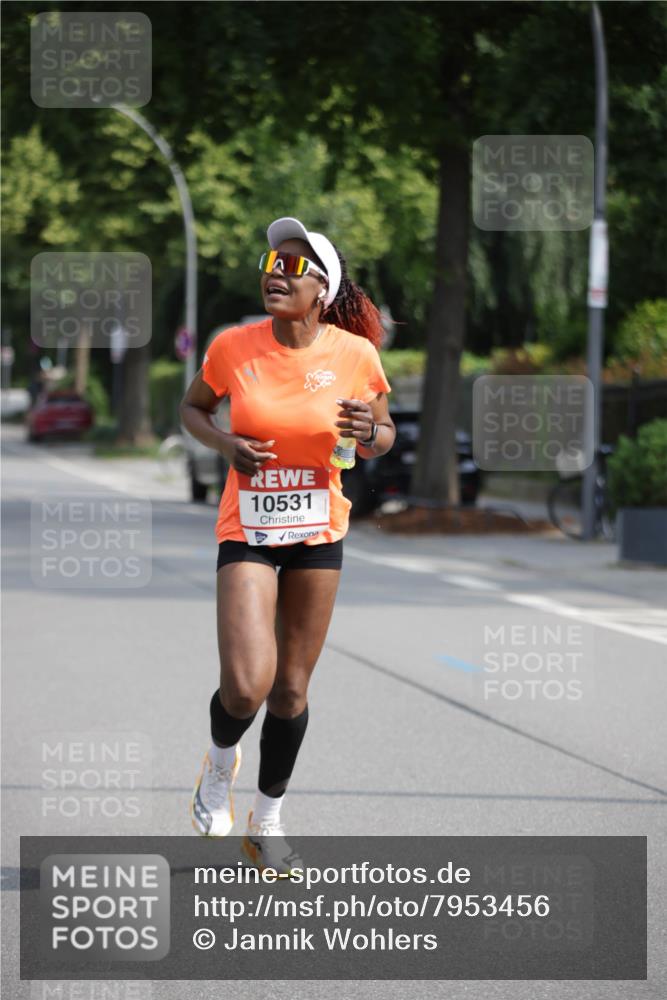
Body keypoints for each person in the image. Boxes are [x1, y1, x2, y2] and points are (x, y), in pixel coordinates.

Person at [179, 216, 395, 875]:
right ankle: (217, 769)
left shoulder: (353, 356)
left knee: (291, 691)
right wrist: (224, 445)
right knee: (246, 686)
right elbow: (192, 410)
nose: (277, 271)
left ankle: (266, 822)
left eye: (295, 266)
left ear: (322, 289)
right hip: (247, 526)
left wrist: (369, 431)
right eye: (272, 261)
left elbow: (381, 433)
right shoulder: (232, 347)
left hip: (318, 531)